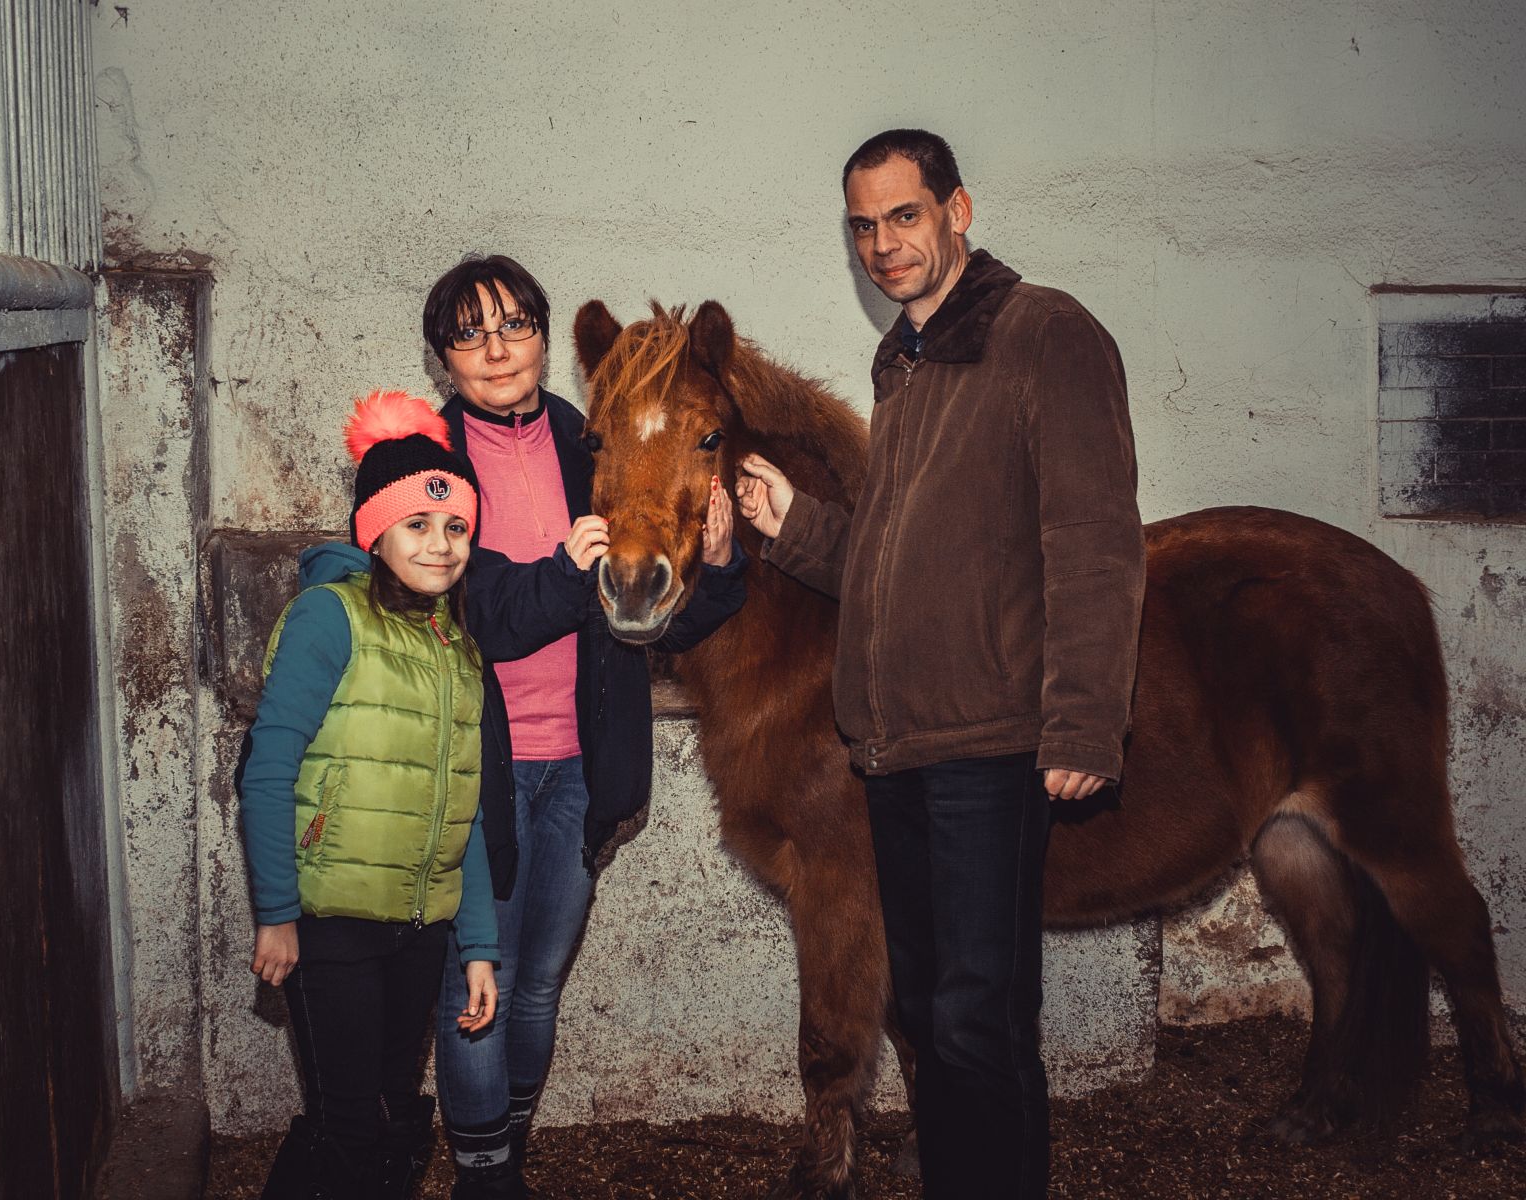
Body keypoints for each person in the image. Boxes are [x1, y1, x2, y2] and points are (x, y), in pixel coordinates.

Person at [736, 130, 1146, 1198]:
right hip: (897, 746)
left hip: (988, 741)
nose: (882, 244)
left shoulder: (1043, 332)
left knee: (977, 1021)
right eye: (862, 226)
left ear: (957, 211)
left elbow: (1095, 539)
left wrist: (1084, 722)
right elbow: (891, 561)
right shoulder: (906, 364)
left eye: (904, 216)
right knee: (929, 1012)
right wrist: (791, 523)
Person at [422, 255, 746, 1198]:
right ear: (444, 357)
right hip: (477, 767)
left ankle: (506, 1156)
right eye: (471, 334)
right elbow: (477, 610)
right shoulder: (428, 461)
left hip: (577, 763)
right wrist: (568, 575)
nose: (497, 349)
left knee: (534, 985)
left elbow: (648, 617)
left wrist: (722, 567)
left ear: (542, 337)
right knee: (474, 985)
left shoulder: (587, 440)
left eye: (514, 326)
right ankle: (484, 1181)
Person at [240, 389, 610, 1200]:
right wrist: (277, 912)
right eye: (416, 525)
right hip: (330, 919)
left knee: (389, 1115)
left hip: (416, 927)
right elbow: (266, 771)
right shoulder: (327, 619)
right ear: (373, 531)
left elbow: (465, 813)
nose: (440, 546)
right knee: (350, 1126)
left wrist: (476, 948)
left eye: (456, 528)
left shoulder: (458, 649)